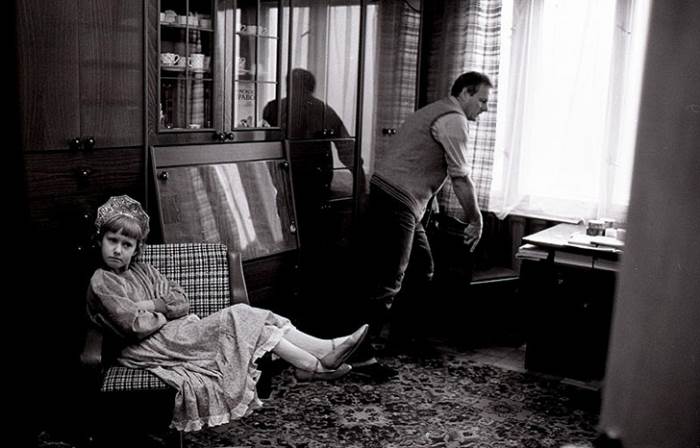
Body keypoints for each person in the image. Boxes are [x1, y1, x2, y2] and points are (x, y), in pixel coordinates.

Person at [86, 195, 368, 432]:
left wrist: (151, 306)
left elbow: (181, 302)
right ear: (101, 241)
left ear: (136, 249)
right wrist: (162, 310)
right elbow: (135, 326)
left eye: (126, 245)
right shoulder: (102, 281)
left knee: (256, 322)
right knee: (241, 314)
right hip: (147, 347)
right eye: (113, 241)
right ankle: (318, 358)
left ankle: (316, 360)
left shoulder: (145, 270)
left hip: (176, 331)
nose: (118, 250)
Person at [348, 71, 493, 379]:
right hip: (397, 200)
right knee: (389, 280)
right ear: (465, 93)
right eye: (482, 101)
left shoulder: (436, 110)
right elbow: (460, 178)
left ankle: (400, 340)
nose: (484, 108)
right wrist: (476, 218)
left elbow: (424, 161)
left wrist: (430, 204)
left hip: (398, 197)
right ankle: (359, 356)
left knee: (421, 268)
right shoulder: (454, 120)